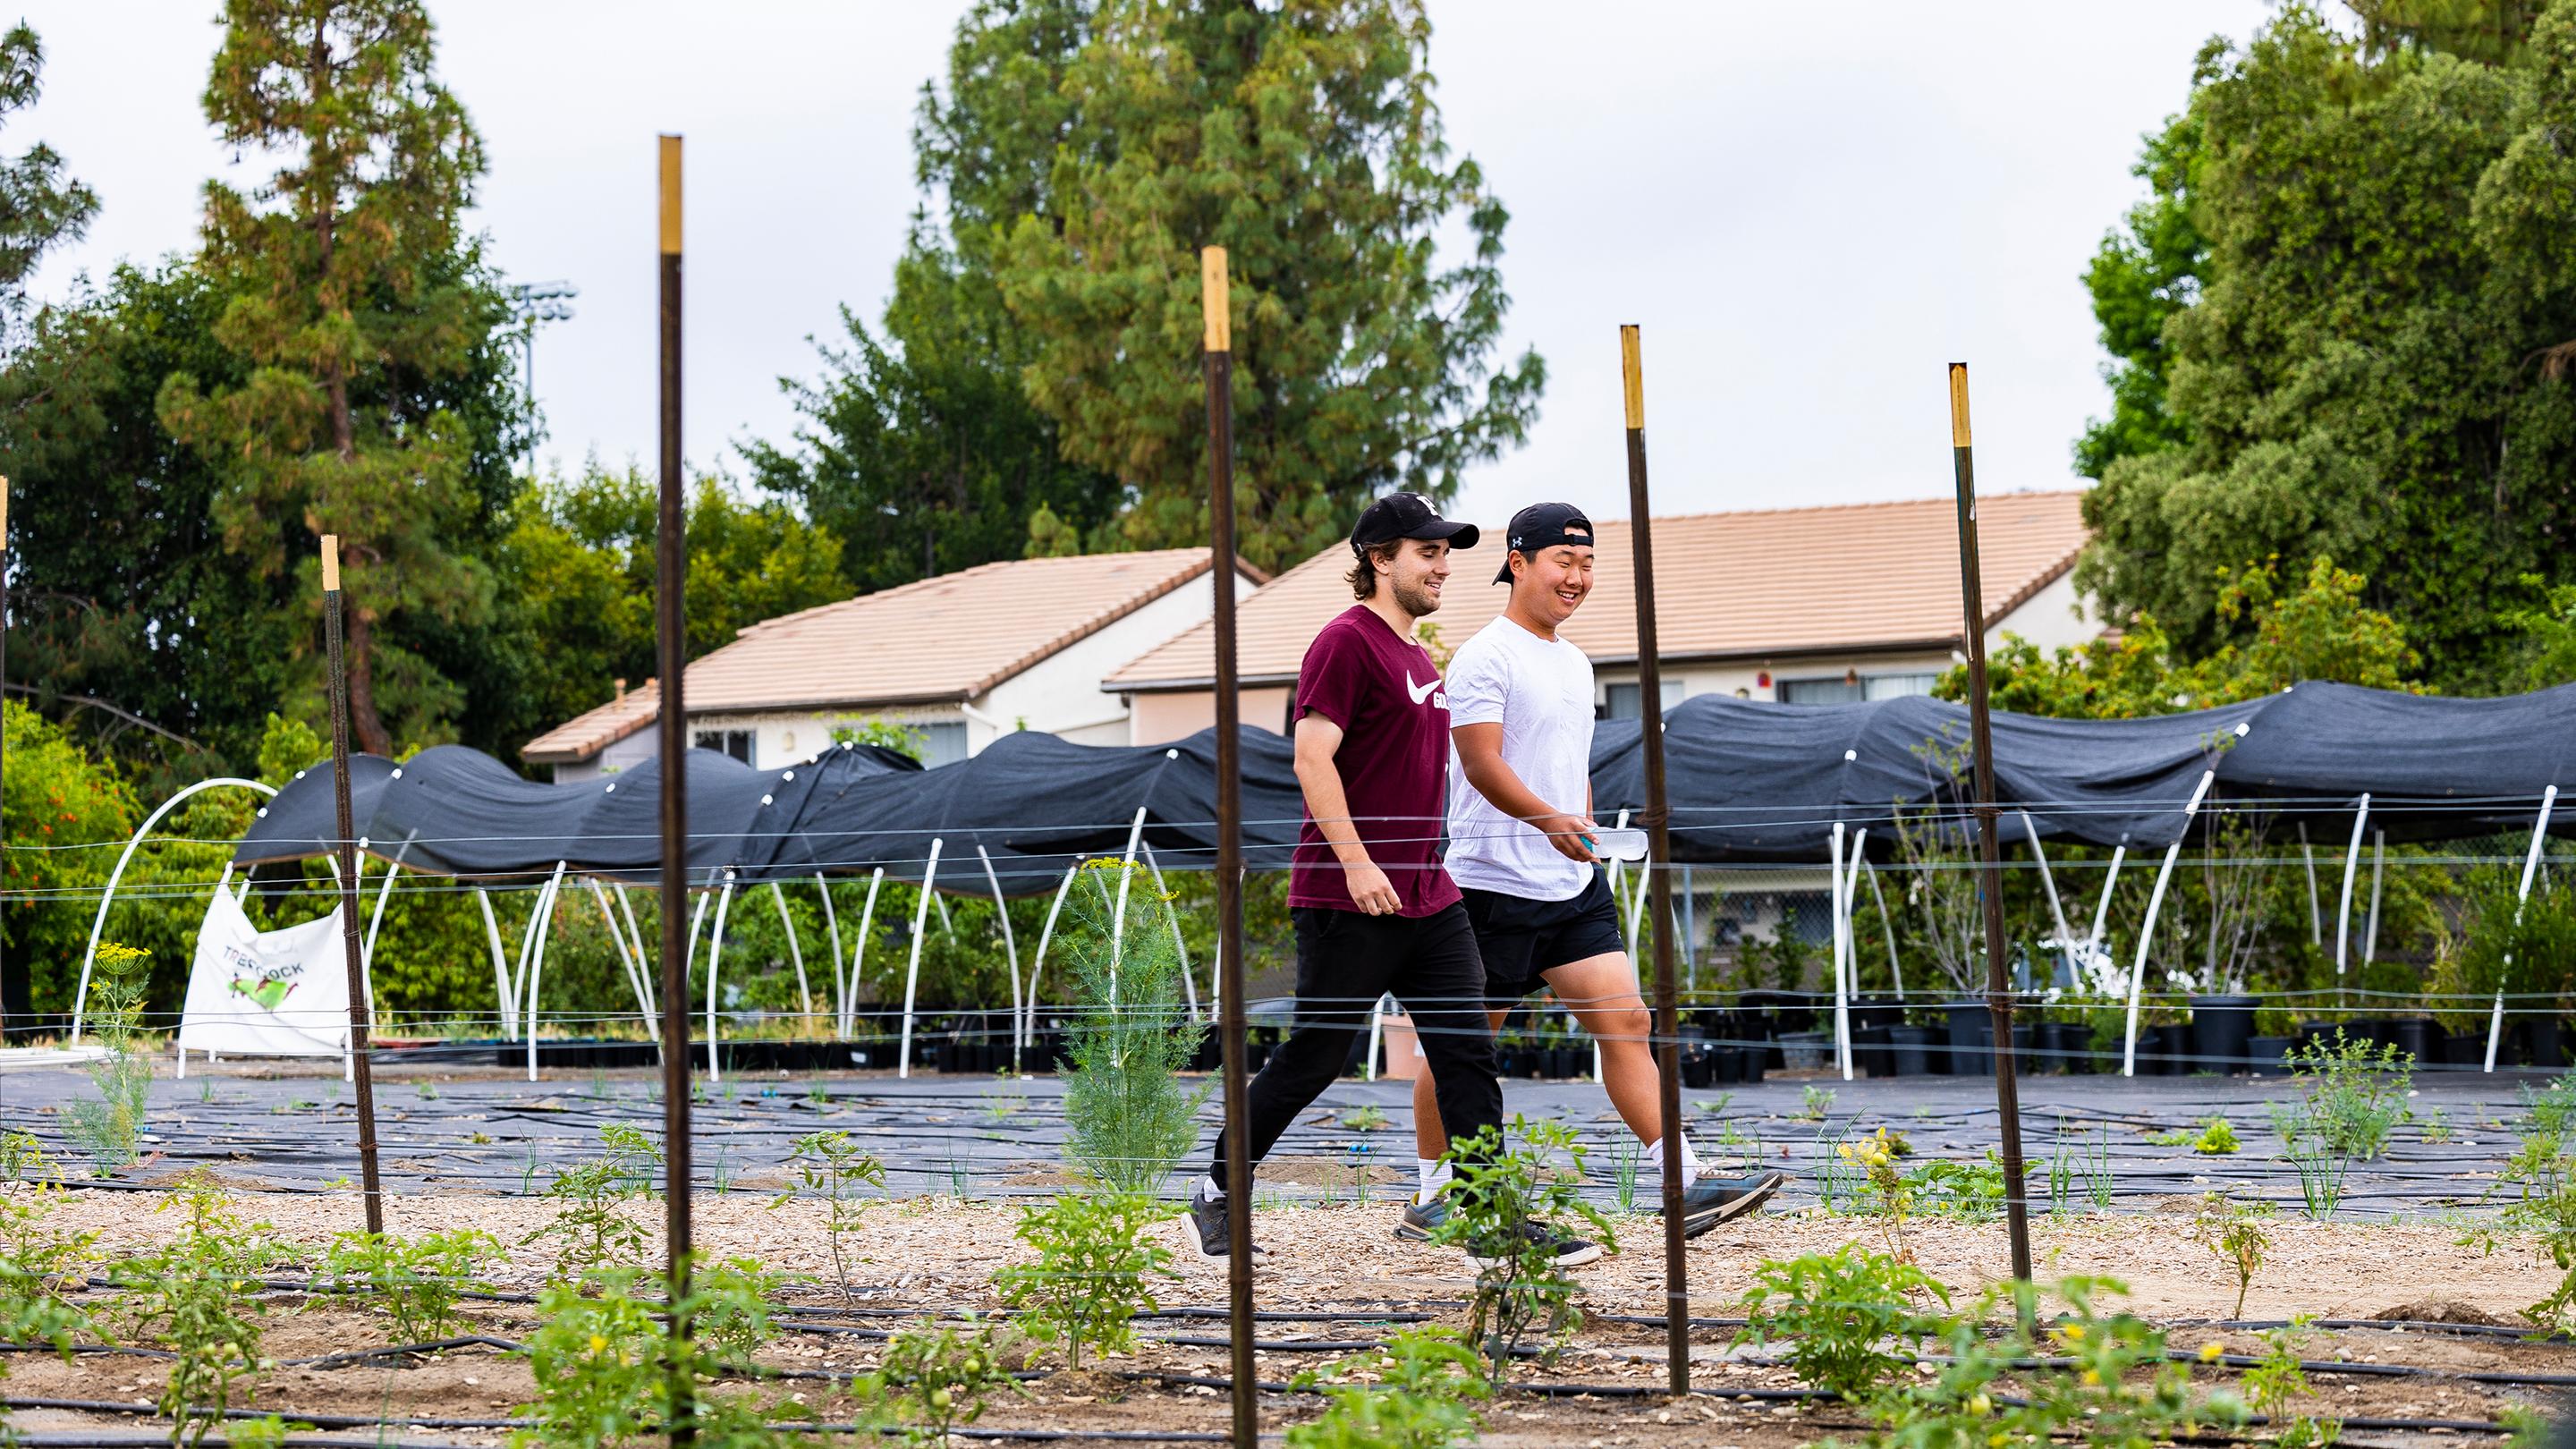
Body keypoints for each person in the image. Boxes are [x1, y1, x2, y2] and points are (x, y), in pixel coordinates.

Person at [1189, 492, 1598, 1267]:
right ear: (1380, 560)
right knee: (1316, 1056)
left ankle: (1487, 1214)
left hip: (1428, 894)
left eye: (1446, 554)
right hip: (1350, 895)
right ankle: (1217, 1189)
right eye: (1427, 553)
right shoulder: (1346, 642)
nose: (1443, 567)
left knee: (1466, 1050)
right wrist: (1357, 862)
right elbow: (1312, 758)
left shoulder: (1416, 656)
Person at [1398, 501, 1784, 1242]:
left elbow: (1568, 763)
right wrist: (1549, 820)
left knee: (1628, 1021)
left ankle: (1684, 1181)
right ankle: (1434, 1196)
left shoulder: (1575, 662)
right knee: (1462, 1046)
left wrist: (1583, 824)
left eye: (1587, 563)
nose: (1577, 577)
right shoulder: (1486, 655)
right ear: (1518, 564)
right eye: (1563, 562)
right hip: (1489, 887)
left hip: (1570, 886)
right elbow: (1480, 762)